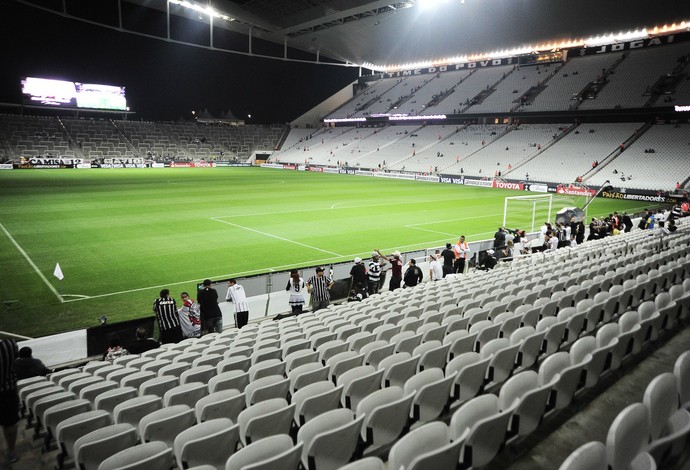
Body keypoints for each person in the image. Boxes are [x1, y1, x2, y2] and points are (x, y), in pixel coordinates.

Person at [0, 339, 19, 467]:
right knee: (11, 423)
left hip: (6, 392)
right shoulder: (10, 344)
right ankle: (11, 452)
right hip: (8, 391)